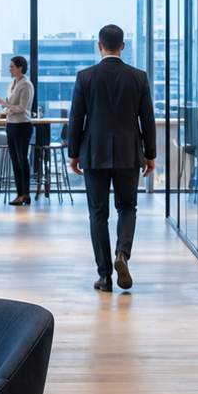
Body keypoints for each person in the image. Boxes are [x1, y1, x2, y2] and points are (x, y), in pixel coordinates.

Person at [68, 23, 156, 292]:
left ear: (99, 46)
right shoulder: (138, 77)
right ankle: (122, 254)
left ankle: (105, 276)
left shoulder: (85, 76)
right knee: (127, 207)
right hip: (130, 154)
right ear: (123, 46)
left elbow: (76, 118)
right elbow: (147, 120)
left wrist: (74, 154)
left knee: (98, 214)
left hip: (94, 154)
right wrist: (149, 155)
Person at [0, 55, 34, 207]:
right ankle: (20, 194)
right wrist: (6, 111)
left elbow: (22, 108)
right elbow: (10, 106)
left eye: (12, 67)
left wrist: (6, 107)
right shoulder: (12, 84)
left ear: (20, 68)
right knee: (15, 160)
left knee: (22, 160)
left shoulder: (26, 84)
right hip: (12, 125)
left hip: (22, 125)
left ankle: (25, 194)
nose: (10, 69)